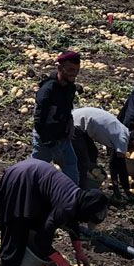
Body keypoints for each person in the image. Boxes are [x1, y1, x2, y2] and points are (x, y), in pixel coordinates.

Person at [0, 159, 109, 266]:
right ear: (87, 211)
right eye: (87, 219)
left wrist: (79, 251)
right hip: (23, 178)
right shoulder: (66, 207)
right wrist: (60, 261)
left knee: (38, 223)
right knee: (17, 225)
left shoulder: (77, 198)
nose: (84, 221)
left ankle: (32, 257)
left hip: (33, 177)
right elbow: (41, 240)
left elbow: (72, 223)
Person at [31, 51, 83, 185]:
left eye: (77, 70)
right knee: (38, 168)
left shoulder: (70, 88)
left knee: (71, 163)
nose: (74, 73)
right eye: (70, 69)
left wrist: (70, 124)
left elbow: (67, 109)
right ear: (60, 68)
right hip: (46, 138)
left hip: (62, 136)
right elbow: (39, 121)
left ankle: (72, 196)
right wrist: (50, 144)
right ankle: (28, 189)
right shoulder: (47, 91)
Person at [71, 107, 129, 194]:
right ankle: (80, 191)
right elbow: (117, 167)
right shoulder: (122, 141)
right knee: (83, 162)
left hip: (81, 118)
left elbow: (115, 163)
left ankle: (88, 178)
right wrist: (120, 189)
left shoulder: (125, 131)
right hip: (75, 124)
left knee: (93, 153)